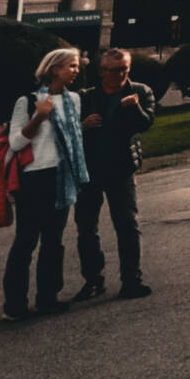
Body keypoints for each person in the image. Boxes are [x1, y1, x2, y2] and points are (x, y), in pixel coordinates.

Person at [4, 47, 89, 321]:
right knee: (26, 241)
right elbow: (16, 142)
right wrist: (39, 117)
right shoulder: (28, 101)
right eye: (71, 65)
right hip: (34, 179)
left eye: (77, 66)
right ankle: (14, 304)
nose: (76, 70)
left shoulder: (74, 99)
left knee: (54, 241)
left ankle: (47, 298)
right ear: (54, 69)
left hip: (63, 176)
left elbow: (71, 137)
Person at [73, 47, 156, 302]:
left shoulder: (140, 91)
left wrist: (135, 108)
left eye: (124, 69)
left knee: (127, 225)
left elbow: (146, 123)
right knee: (86, 228)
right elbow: (69, 131)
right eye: (113, 70)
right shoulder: (86, 97)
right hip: (90, 169)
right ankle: (93, 280)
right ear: (101, 71)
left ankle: (132, 280)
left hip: (121, 168)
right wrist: (82, 125)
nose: (119, 74)